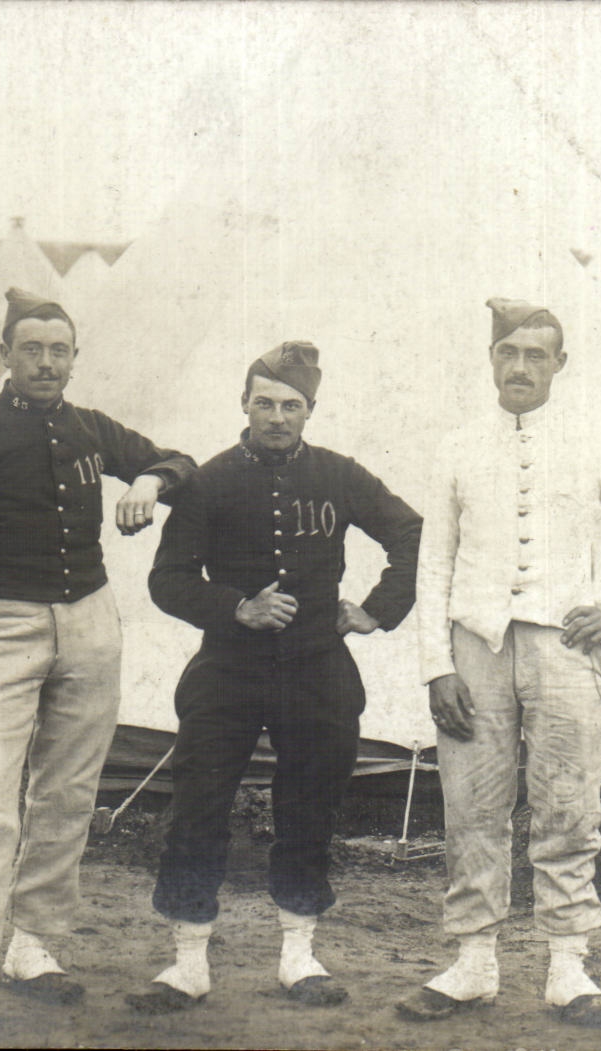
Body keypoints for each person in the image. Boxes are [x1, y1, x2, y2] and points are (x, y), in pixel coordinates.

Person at [0, 287, 197, 1046]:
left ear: (74, 357)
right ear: (4, 355)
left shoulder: (90, 429)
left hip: (91, 625)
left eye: (58, 350)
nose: (44, 362)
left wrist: (148, 480)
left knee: (67, 794)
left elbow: (180, 460)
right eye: (30, 349)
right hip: (2, 629)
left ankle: (33, 943)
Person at [398, 298, 601, 1025]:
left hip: (564, 649)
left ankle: (567, 964)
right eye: (508, 351)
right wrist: (437, 664)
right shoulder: (458, 446)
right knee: (471, 806)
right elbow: (432, 562)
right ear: (491, 358)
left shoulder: (592, 441)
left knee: (567, 803)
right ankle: (472, 962)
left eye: (536, 354)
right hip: (476, 650)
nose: (520, 366)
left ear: (559, 364)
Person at [125, 341, 422, 1013]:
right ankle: (188, 961)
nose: (277, 418)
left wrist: (375, 610)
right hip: (226, 668)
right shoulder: (208, 481)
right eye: (264, 403)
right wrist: (236, 607)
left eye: (291, 406)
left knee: (308, 807)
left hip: (317, 668)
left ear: (311, 409)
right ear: (244, 404)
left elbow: (410, 533)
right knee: (199, 806)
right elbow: (167, 580)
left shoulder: (340, 475)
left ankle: (299, 954)